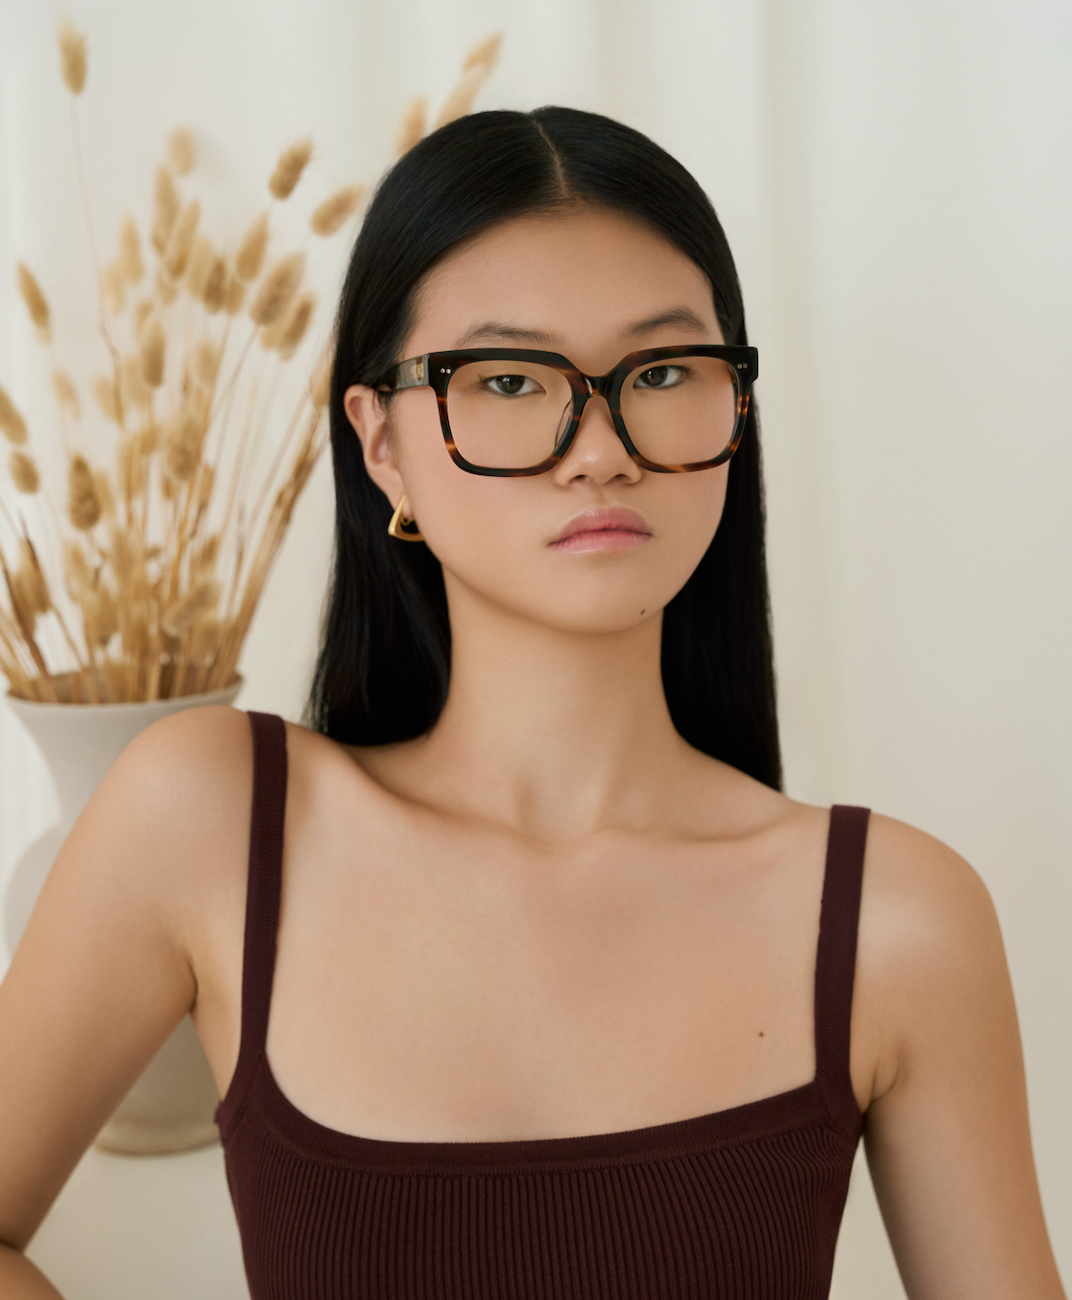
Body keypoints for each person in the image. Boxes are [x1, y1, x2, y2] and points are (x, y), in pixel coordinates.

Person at [0, 107, 1064, 1300]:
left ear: (736, 410)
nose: (600, 447)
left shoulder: (895, 921)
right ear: (380, 442)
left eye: (661, 371)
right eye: (506, 378)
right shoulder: (208, 819)